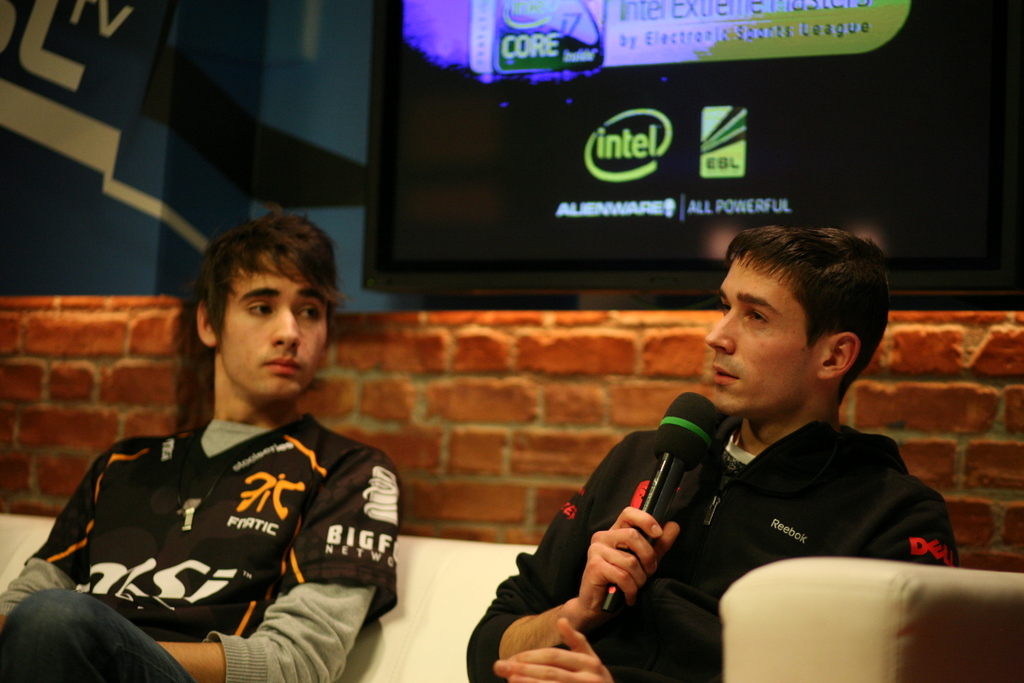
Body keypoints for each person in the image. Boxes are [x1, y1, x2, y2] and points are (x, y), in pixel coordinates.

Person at [467, 226, 958, 683]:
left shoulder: (892, 515)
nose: (717, 336)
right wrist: (579, 612)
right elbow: (487, 650)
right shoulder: (642, 457)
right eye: (724, 306)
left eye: (756, 316)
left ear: (833, 356)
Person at [0, 211, 400, 683]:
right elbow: (20, 607)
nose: (290, 333)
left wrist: (105, 647)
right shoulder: (124, 465)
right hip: (62, 652)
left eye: (309, 311)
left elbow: (297, 663)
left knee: (56, 619)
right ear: (209, 323)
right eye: (262, 307)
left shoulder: (349, 470)